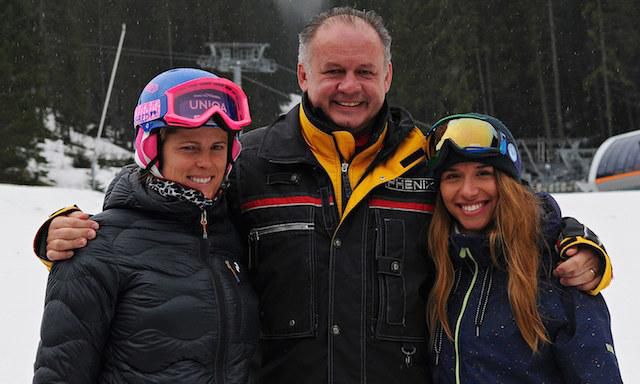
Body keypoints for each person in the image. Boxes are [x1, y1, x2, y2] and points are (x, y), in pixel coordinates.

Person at [33, 7, 611, 384]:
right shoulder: (252, 162)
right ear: (303, 75)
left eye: (365, 70)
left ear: (388, 75)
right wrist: (70, 228)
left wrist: (577, 243)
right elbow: (175, 215)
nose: (350, 86)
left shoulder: (427, 160)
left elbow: (501, 207)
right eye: (333, 70)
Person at [33, 68, 259, 383]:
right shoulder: (94, 248)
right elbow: (60, 374)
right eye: (189, 147)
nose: (206, 162)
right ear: (152, 150)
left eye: (217, 147)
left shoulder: (238, 235)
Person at [425, 113, 621, 383]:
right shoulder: (438, 264)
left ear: (508, 183)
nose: (468, 191)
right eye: (453, 176)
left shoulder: (561, 269)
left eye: (483, 174)